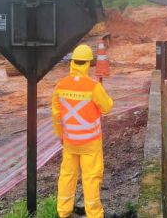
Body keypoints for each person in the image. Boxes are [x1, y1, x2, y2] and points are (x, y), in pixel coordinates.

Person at [52, 44, 113, 218]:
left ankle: (63, 212)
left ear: (72, 63)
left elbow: (56, 114)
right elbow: (107, 107)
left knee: (67, 175)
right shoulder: (93, 87)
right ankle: (94, 214)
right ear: (88, 64)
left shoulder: (60, 86)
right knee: (91, 177)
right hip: (90, 143)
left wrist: (60, 135)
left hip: (69, 141)